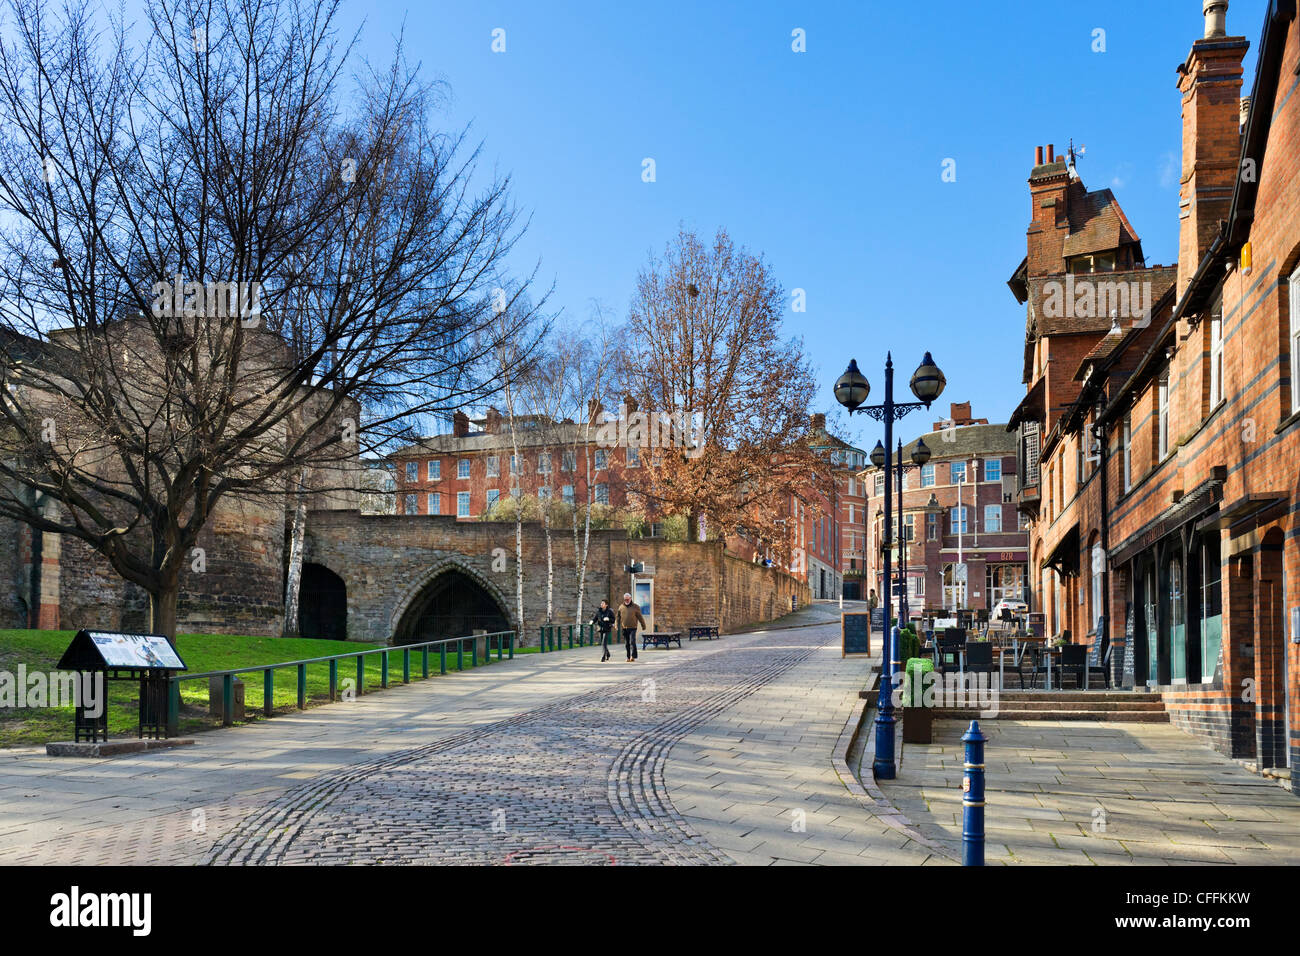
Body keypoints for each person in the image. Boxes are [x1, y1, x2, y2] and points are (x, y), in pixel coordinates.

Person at [614, 592, 646, 662]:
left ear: (630, 599)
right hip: (624, 627)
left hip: (633, 627)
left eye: (628, 599)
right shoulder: (621, 607)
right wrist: (616, 625)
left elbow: (640, 617)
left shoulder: (635, 607)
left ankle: (633, 656)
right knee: (626, 643)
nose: (626, 601)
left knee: (632, 641)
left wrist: (643, 625)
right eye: (625, 599)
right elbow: (618, 617)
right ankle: (628, 657)